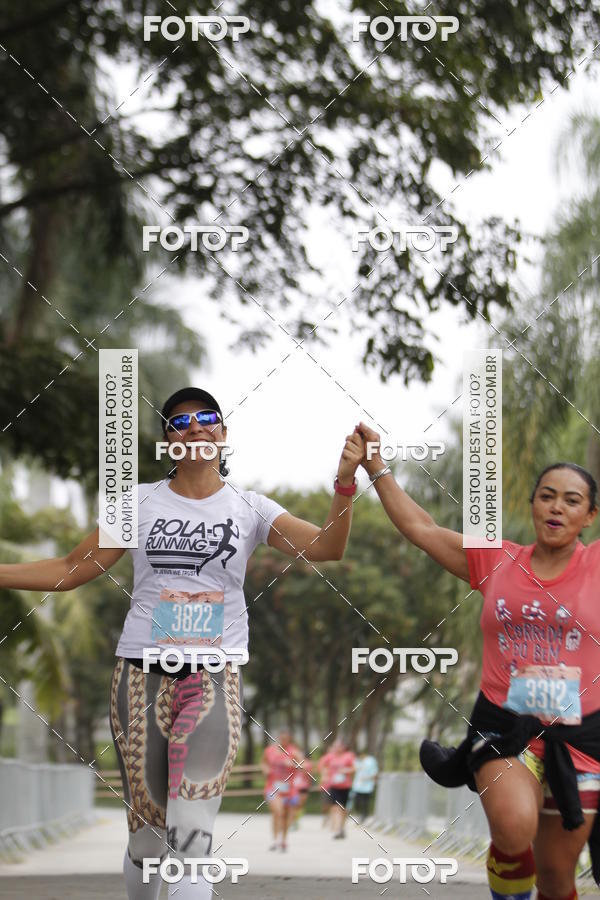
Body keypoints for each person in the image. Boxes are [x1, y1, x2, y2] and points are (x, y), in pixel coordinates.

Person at [0, 387, 365, 900]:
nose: (194, 427)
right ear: (168, 441)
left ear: (222, 432)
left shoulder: (250, 507)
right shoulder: (139, 503)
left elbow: (328, 546)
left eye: (206, 418)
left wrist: (345, 483)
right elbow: (69, 569)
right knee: (148, 843)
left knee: (192, 840)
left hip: (214, 675)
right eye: (179, 422)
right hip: (139, 676)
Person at [357, 421, 600, 900]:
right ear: (533, 505)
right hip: (505, 724)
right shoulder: (497, 560)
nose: (557, 506)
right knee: (513, 829)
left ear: (589, 516)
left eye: (572, 500)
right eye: (547, 495)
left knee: (556, 877)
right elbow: (421, 528)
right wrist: (376, 467)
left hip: (582, 736)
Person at [261, 730, 303, 851]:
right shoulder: (270, 750)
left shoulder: (294, 751)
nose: (284, 741)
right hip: (273, 787)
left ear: (289, 739)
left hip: (289, 789)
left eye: (286, 739)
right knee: (277, 812)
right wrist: (265, 770)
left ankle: (283, 840)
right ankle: (274, 840)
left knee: (286, 816)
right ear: (279, 738)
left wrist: (294, 764)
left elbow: (304, 766)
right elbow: (263, 763)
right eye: (282, 738)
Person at [318, 738, 356, 838]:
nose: (336, 748)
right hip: (333, 786)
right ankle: (337, 829)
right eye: (334, 746)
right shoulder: (330, 756)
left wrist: (346, 770)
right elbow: (321, 765)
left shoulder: (349, 756)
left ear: (343, 747)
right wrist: (324, 774)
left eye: (338, 746)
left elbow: (354, 768)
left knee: (343, 809)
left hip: (345, 786)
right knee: (335, 807)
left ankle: (341, 827)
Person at [350, 749, 379, 823]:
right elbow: (354, 770)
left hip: (368, 785)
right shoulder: (357, 761)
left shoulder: (371, 761)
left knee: (365, 802)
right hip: (358, 785)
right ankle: (360, 813)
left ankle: (364, 815)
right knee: (357, 801)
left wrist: (370, 779)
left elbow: (375, 772)